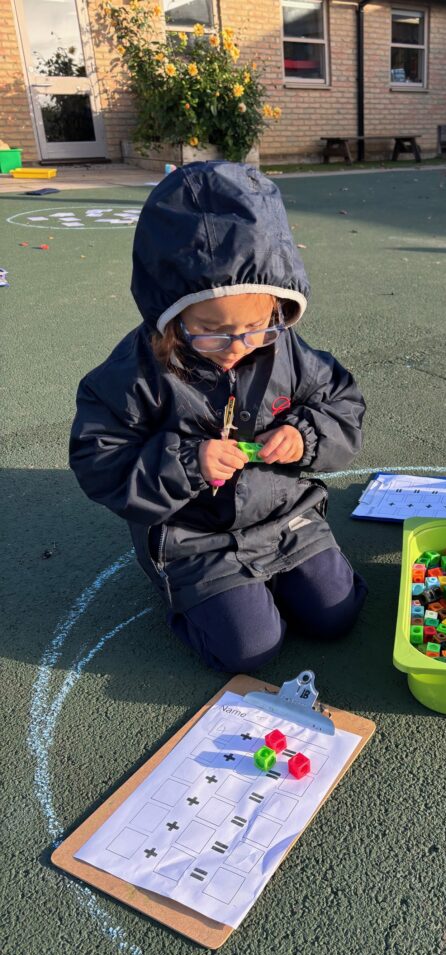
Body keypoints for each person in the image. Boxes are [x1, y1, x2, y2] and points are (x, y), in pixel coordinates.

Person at [70, 162, 367, 671]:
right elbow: (99, 459)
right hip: (194, 538)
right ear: (170, 312)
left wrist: (305, 436)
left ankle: (268, 585)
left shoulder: (287, 350)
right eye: (211, 330)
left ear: (278, 308)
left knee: (334, 616)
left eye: (257, 327)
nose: (236, 347)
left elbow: (343, 405)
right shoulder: (134, 373)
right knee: (250, 650)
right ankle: (189, 596)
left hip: (285, 518)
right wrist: (188, 463)